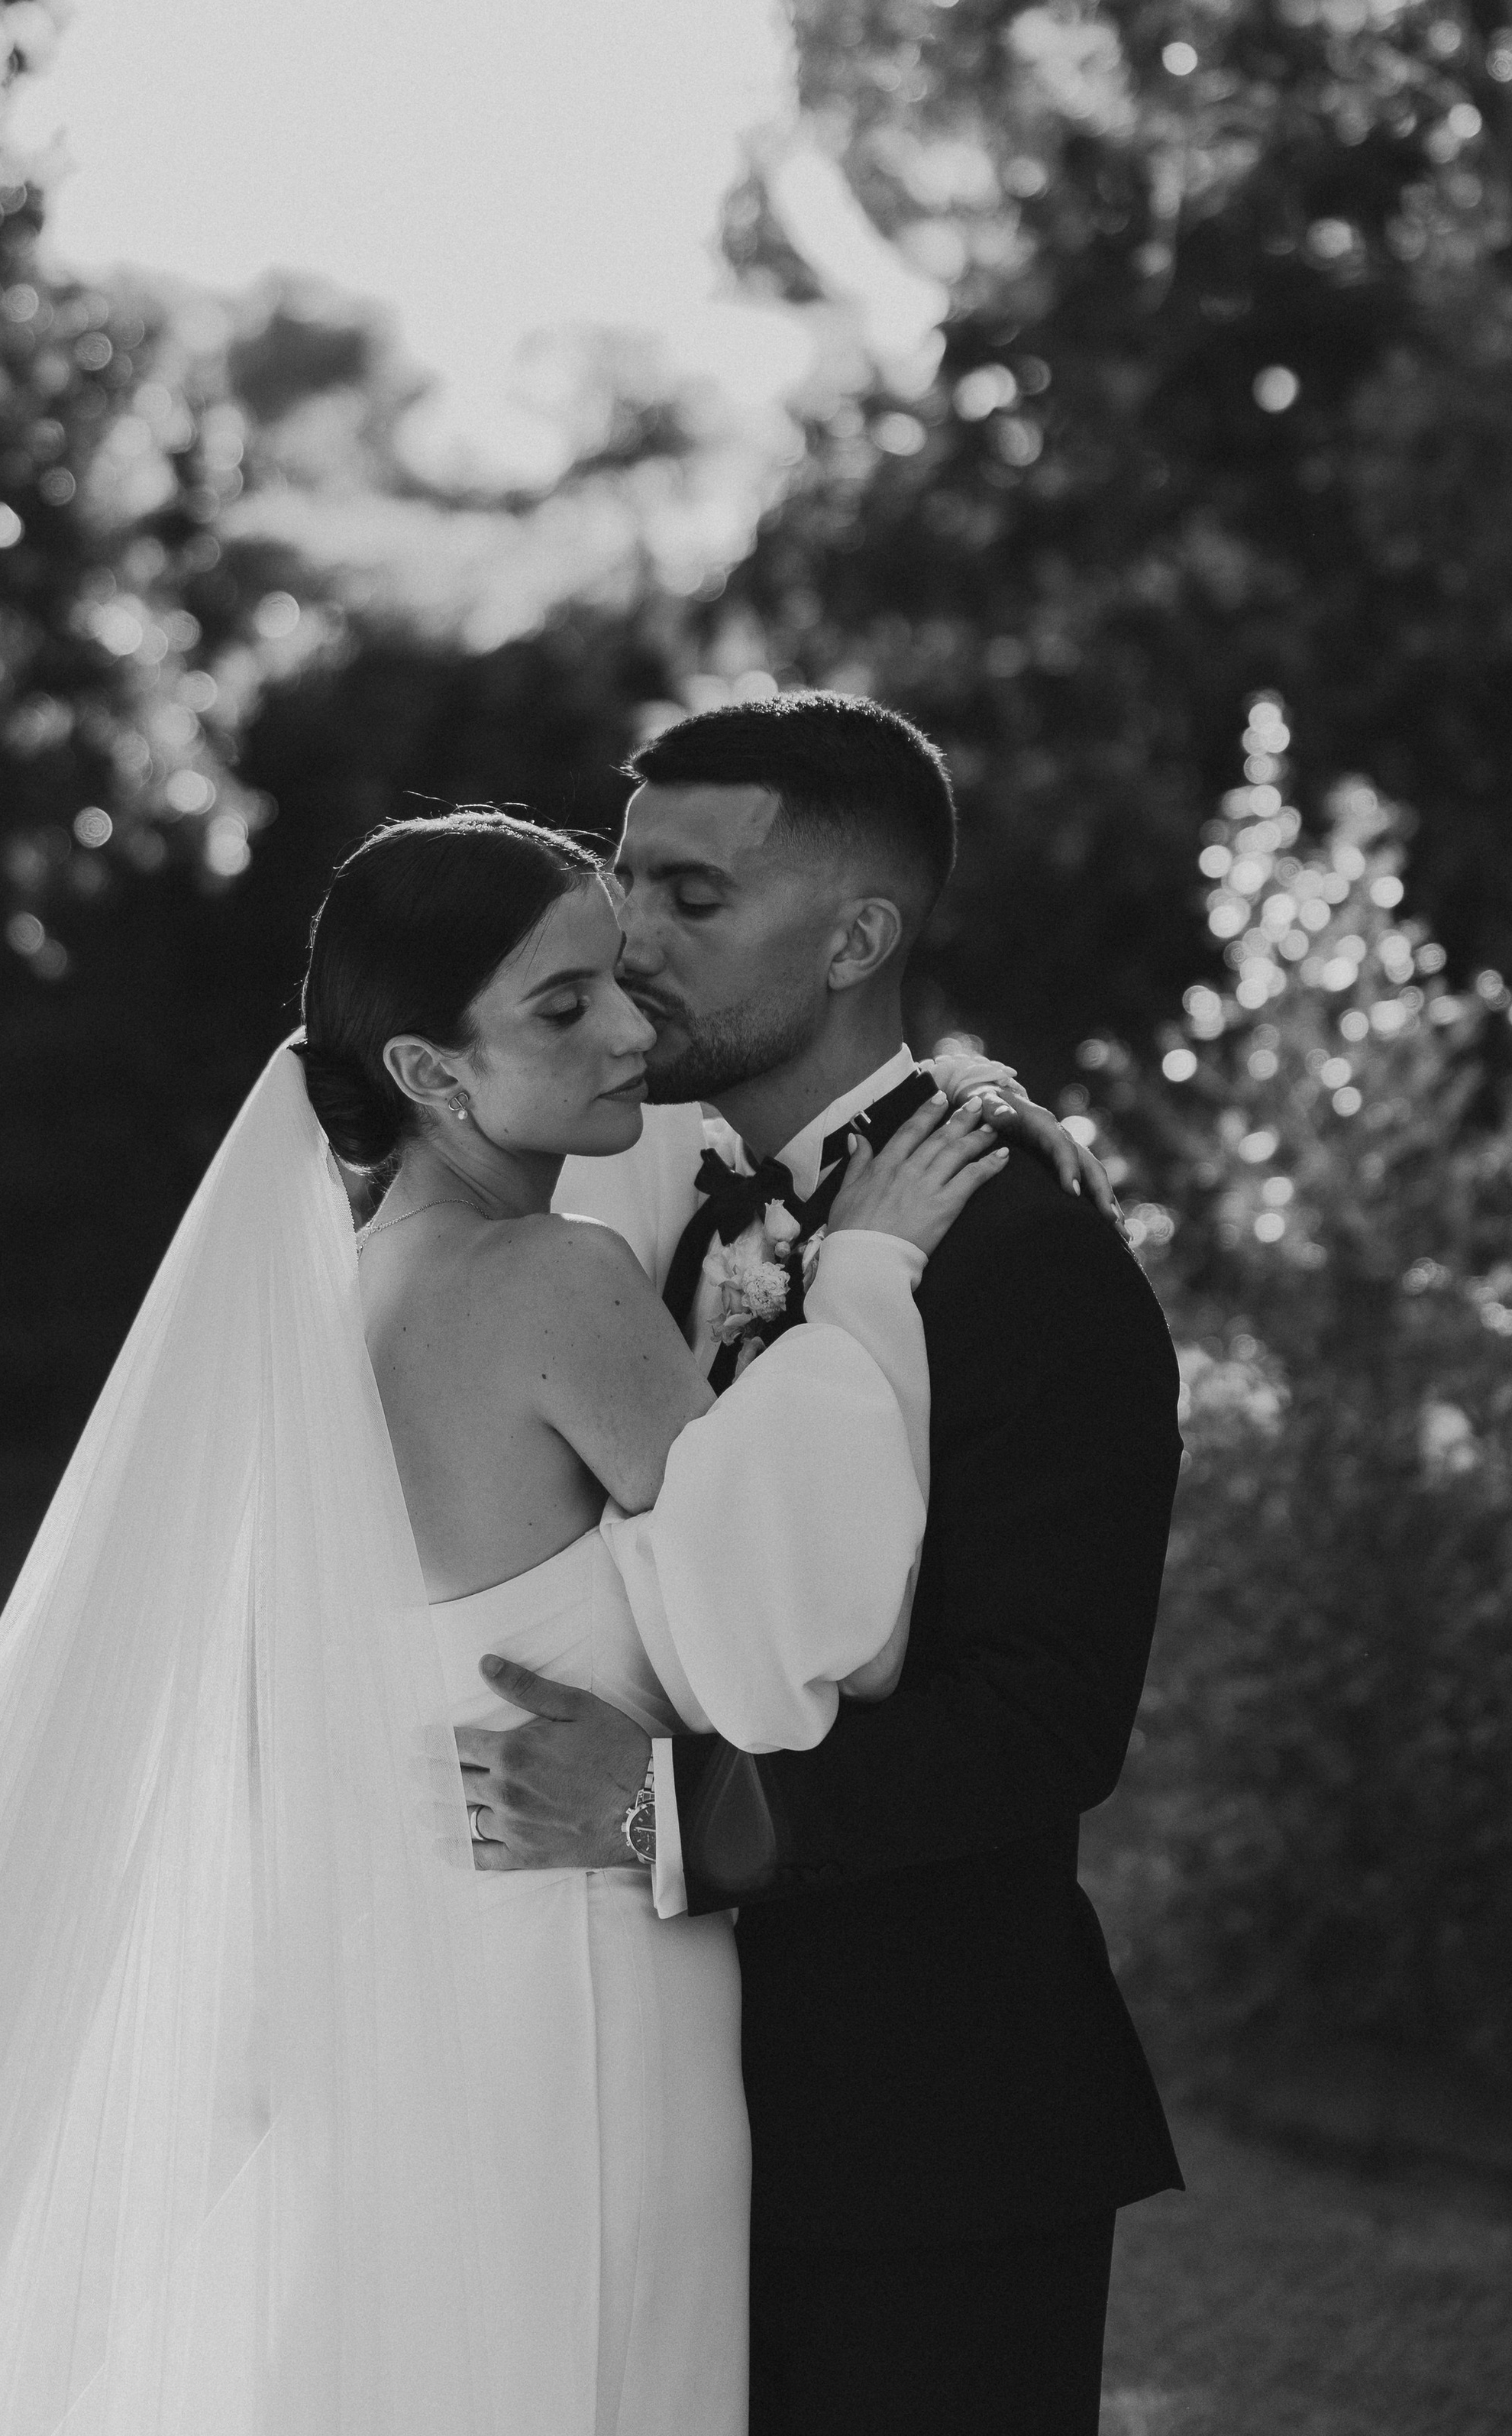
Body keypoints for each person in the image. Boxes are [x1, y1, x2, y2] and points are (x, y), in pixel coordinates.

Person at [0, 804, 1081, 2436]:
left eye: (622, 980)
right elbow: (802, 1627)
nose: (633, 1027)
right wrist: (861, 1275)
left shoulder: (355, 1291)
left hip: (409, 1985)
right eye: (565, 1007)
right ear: (430, 1073)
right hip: (572, 1987)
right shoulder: (548, 1282)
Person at [457, 695, 1185, 2436]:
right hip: (656, 2103)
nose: (626, 936)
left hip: (922, 2131)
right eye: (624, 878)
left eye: (691, 897)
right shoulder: (676, 1198)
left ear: (858, 935)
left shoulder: (1032, 1261)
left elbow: (1041, 1723)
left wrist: (658, 1811)